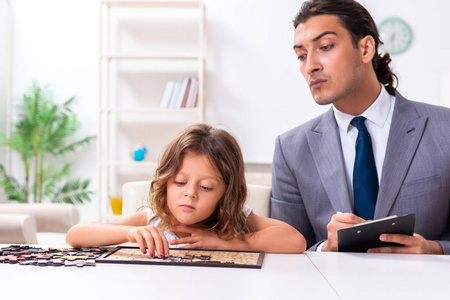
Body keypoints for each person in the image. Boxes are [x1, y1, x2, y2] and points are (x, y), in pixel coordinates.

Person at [270, 0, 450, 254]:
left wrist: (435, 249)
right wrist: (325, 249)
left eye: (325, 47)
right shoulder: (290, 149)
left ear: (366, 49)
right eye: (301, 55)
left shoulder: (445, 129)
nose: (310, 65)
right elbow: (283, 252)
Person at [67, 123, 306, 256]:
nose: (190, 193)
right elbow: (75, 235)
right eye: (180, 182)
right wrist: (130, 233)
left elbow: (295, 240)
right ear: (166, 182)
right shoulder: (154, 219)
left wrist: (223, 243)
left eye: (206, 187)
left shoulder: (237, 220)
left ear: (226, 193)